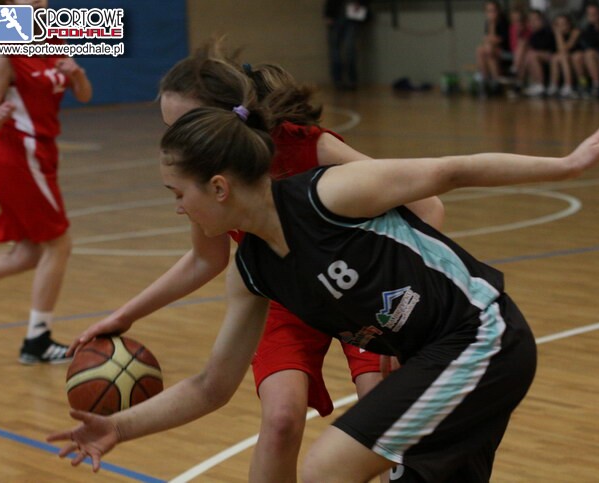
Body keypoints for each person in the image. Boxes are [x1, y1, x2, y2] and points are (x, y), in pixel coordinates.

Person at [48, 104, 599, 481]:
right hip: (439, 357)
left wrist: (567, 165)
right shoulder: (252, 270)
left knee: (326, 468)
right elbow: (210, 386)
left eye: (178, 194)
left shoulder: (329, 196)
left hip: (481, 336)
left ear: (219, 187)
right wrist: (120, 427)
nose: (177, 208)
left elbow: (451, 171)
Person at [67, 44, 443, 483]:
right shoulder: (202, 180)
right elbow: (204, 260)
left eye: (184, 124)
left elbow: (427, 205)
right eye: (168, 127)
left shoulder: (308, 147)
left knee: (376, 405)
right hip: (282, 294)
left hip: (358, 288)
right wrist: (124, 315)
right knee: (281, 419)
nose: (175, 139)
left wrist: (405, 306)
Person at [0, 0, 92, 364]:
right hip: (18, 153)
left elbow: (84, 95)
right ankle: (37, 341)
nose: (37, 1)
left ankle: (36, 340)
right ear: (12, 5)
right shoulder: (8, 54)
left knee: (27, 254)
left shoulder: (56, 41)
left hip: (43, 151)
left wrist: (77, 74)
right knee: (59, 243)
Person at [324, 0, 370, 90]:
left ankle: (351, 80)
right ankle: (338, 80)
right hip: (337, 15)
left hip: (351, 16)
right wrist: (328, 14)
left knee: (349, 50)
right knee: (336, 52)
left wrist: (361, 4)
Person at [572, 2, 599, 98]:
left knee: (590, 54)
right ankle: (583, 84)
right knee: (577, 56)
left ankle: (596, 85)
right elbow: (585, 45)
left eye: (594, 14)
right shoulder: (588, 28)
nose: (592, 16)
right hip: (593, 54)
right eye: (590, 14)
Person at [474, 0, 510, 96]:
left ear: (498, 11)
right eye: (489, 11)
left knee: (488, 50)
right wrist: (489, 39)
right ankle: (486, 81)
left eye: (493, 11)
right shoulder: (487, 23)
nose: (491, 14)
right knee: (481, 51)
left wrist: (493, 24)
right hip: (492, 52)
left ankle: (494, 82)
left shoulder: (503, 22)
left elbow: (498, 40)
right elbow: (487, 40)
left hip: (506, 52)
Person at [523, 9, 555, 97]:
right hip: (540, 56)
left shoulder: (548, 31)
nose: (533, 22)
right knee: (529, 55)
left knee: (532, 55)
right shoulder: (533, 34)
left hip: (553, 56)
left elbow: (549, 47)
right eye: (531, 20)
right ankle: (533, 83)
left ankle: (540, 84)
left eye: (535, 19)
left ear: (542, 20)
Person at [548, 14, 581, 98]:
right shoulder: (553, 34)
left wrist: (558, 34)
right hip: (565, 56)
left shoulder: (575, 32)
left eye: (564, 24)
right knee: (555, 57)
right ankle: (554, 85)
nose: (562, 27)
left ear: (569, 24)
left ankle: (568, 85)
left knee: (563, 56)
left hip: (578, 56)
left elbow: (564, 49)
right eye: (559, 24)